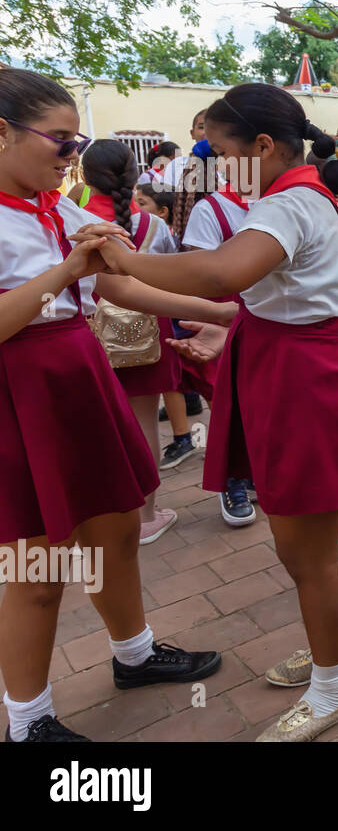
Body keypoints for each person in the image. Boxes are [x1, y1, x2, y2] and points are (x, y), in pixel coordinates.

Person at [95, 81, 338, 742]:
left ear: (263, 146)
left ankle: (333, 688)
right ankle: (337, 654)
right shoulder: (296, 194)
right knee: (309, 547)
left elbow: (219, 274)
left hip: (305, 378)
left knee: (310, 549)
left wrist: (122, 260)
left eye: (221, 151)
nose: (213, 163)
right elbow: (246, 292)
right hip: (292, 367)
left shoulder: (290, 201)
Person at [0, 67, 227, 741]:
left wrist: (217, 310)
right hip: (21, 391)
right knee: (38, 567)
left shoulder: (54, 207)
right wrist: (69, 270)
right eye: (61, 141)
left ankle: (134, 652)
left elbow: (120, 287)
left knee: (116, 530)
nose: (72, 156)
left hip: (77, 374)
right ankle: (27, 719)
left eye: (78, 142)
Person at [82, 140, 183, 546]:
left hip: (89, 332)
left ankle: (103, 512)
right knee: (144, 420)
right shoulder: (153, 226)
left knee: (97, 422)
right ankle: (146, 514)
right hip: (145, 331)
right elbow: (170, 274)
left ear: (87, 177)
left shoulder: (74, 221)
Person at [178, 141, 257, 526]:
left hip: (270, 312)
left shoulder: (283, 201)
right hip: (223, 314)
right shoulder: (211, 209)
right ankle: (232, 479)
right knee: (225, 400)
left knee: (262, 395)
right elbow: (199, 273)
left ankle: (255, 468)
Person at [134, 183, 199, 471]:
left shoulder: (151, 226)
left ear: (163, 210)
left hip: (163, 313)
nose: (139, 207)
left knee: (178, 381)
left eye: (143, 202)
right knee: (168, 384)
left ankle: (186, 436)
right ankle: (183, 435)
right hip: (161, 312)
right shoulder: (154, 226)